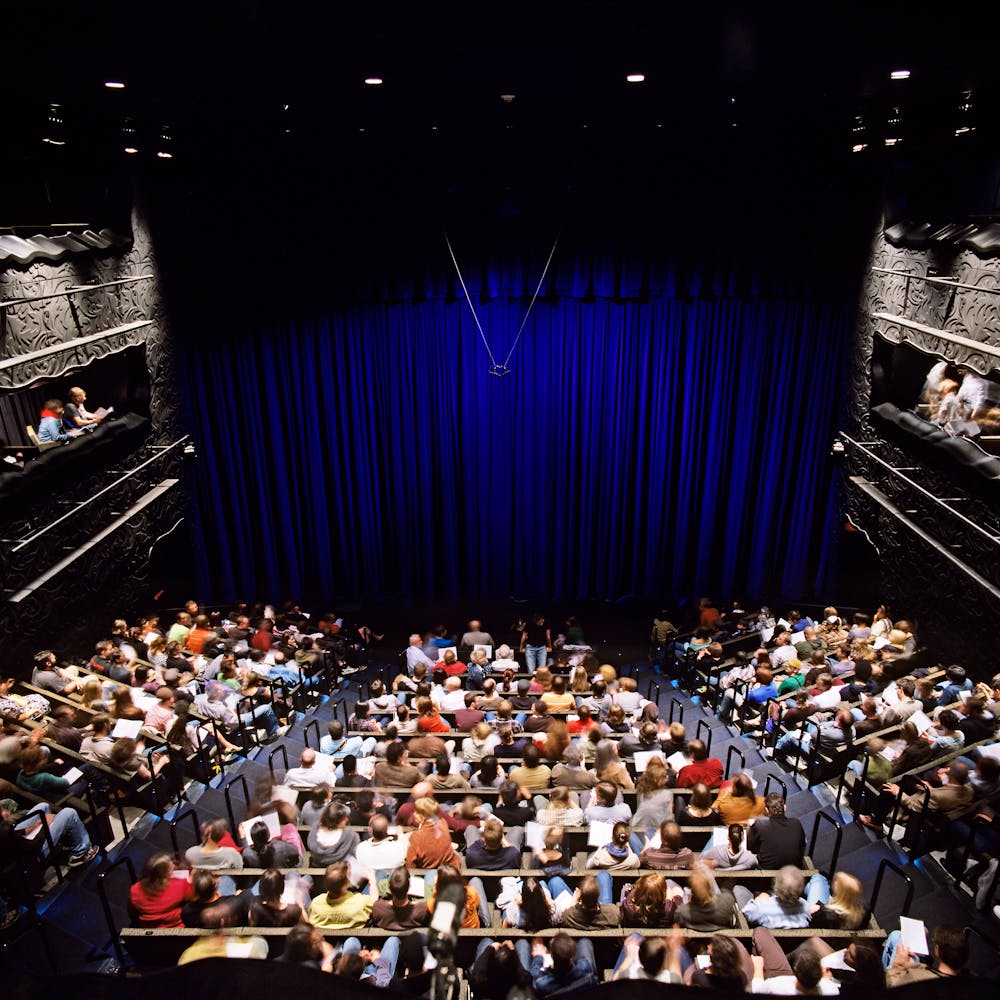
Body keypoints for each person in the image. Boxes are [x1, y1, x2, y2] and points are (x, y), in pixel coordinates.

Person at [0, 797, 99, 868]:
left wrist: (33, 826)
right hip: (31, 856)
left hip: (21, 841)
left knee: (43, 807)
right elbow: (33, 846)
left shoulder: (5, 827)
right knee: (69, 813)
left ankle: (61, 842)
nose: (5, 810)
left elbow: (17, 833)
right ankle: (80, 854)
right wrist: (44, 824)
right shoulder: (3, 831)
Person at [883, 921, 968, 985]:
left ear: (937, 950)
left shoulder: (918, 978)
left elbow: (889, 984)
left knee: (896, 936)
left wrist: (897, 965)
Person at [129, 854, 195, 927]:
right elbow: (194, 898)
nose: (173, 864)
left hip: (149, 927)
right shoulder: (181, 885)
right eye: (170, 866)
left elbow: (132, 912)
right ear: (166, 873)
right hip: (176, 926)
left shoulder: (134, 889)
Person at [736, 865, 811, 928]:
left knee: (738, 889)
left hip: (768, 942)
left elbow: (745, 912)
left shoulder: (762, 907)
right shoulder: (805, 907)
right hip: (796, 943)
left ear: (776, 887)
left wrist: (758, 900)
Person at [748, 791, 805, 868]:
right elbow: (802, 846)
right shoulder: (796, 823)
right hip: (792, 870)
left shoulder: (760, 824)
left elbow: (750, 847)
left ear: (766, 810)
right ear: (784, 808)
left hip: (766, 872)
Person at [529, 932, 599, 995]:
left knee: (521, 943)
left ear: (551, 955)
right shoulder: (587, 969)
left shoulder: (541, 984)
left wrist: (538, 956)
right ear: (572, 957)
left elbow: (535, 974)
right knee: (584, 942)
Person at [308, 860, 373, 928]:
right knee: (380, 873)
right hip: (353, 935)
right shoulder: (360, 903)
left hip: (327, 937)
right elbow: (374, 901)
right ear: (347, 884)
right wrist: (372, 880)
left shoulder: (316, 903)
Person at [612, 932, 683, 982]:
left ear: (639, 958)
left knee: (635, 935)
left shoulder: (628, 975)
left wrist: (629, 958)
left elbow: (615, 980)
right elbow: (678, 979)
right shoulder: (672, 979)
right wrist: (674, 953)